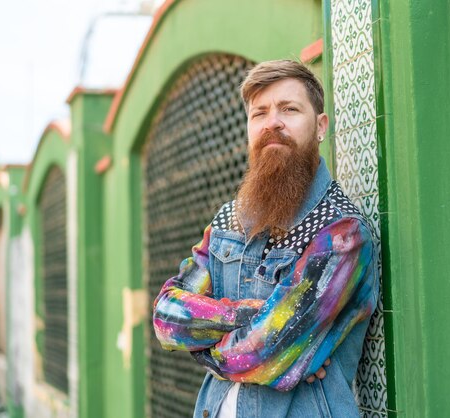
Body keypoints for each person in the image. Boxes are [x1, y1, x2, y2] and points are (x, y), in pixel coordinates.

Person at [153, 59, 379, 418]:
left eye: (289, 109)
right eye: (260, 113)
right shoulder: (228, 219)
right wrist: (253, 316)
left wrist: (203, 340)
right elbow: (167, 319)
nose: (273, 122)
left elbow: (261, 354)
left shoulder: (341, 233)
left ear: (321, 127)